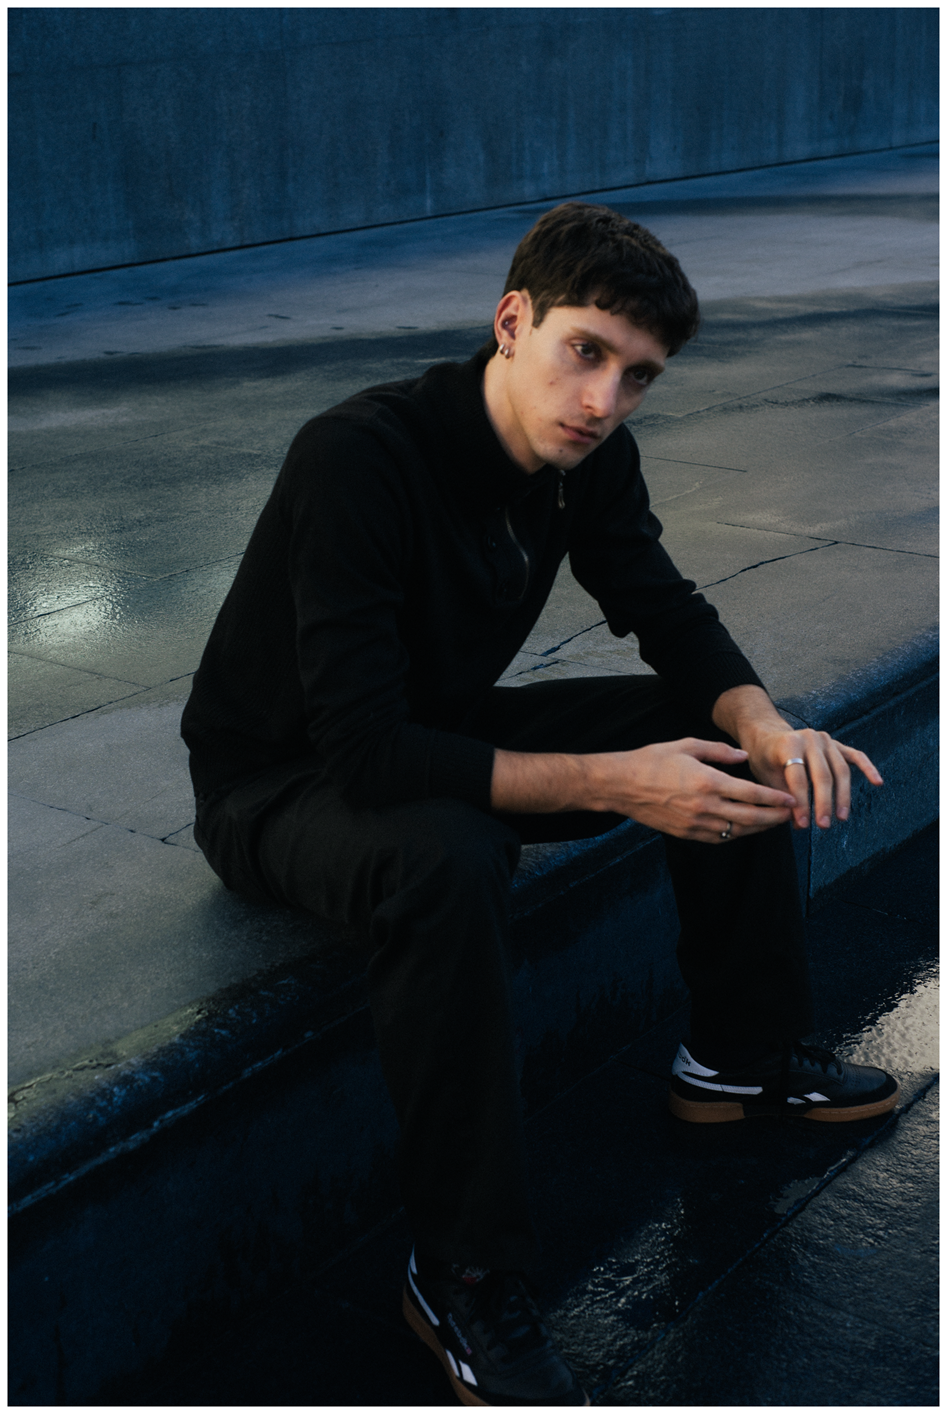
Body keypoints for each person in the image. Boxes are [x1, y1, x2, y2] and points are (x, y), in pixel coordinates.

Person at [181, 203, 898, 1406]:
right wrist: (618, 783)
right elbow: (362, 753)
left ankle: (734, 1057)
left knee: (716, 737)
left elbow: (663, 608)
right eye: (586, 352)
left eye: (638, 376)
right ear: (512, 321)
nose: (604, 400)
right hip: (280, 782)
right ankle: (461, 1270)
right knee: (446, 853)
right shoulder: (357, 456)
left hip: (435, 728)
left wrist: (766, 728)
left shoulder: (586, 460)